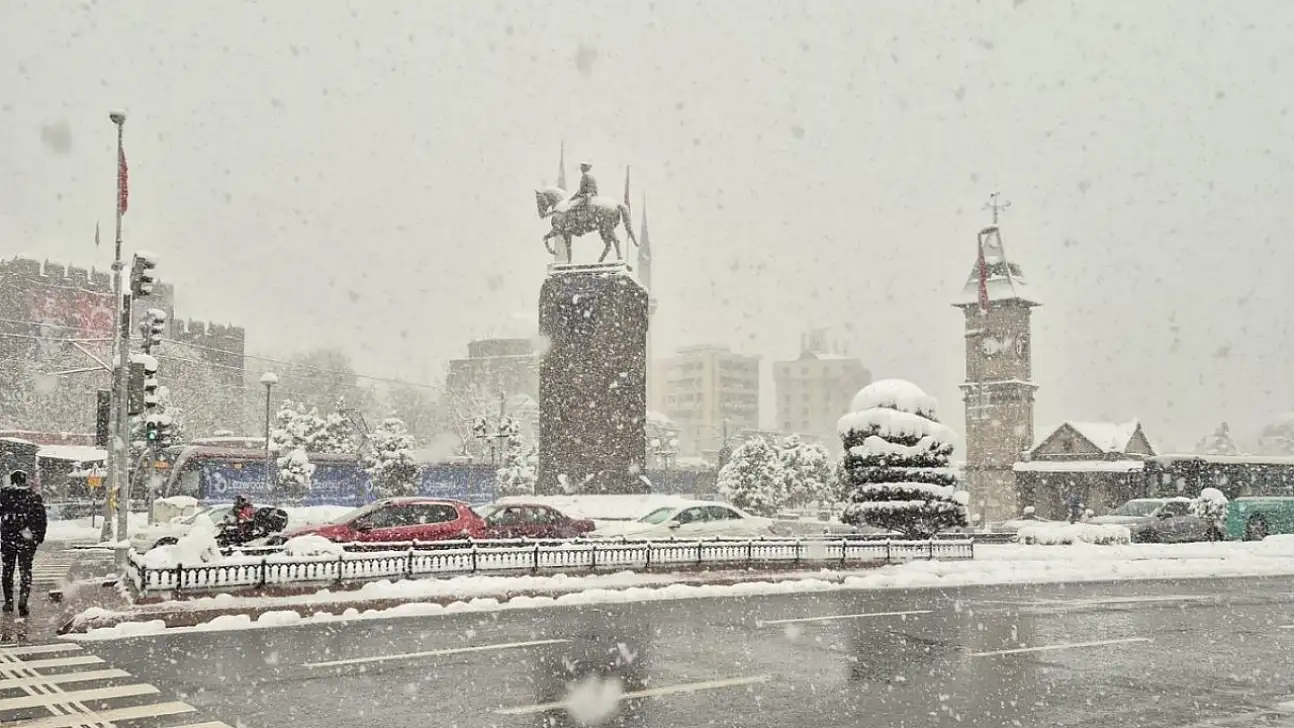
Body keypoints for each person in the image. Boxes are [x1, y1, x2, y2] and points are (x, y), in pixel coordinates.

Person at [0, 470, 46, 617]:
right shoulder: (33, 496)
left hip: (8, 538)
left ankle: (8, 601)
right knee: (26, 570)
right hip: (27, 539)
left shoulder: (4, 495)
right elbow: (41, 518)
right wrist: (38, 537)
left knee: (7, 570)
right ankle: (23, 601)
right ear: (24, 480)